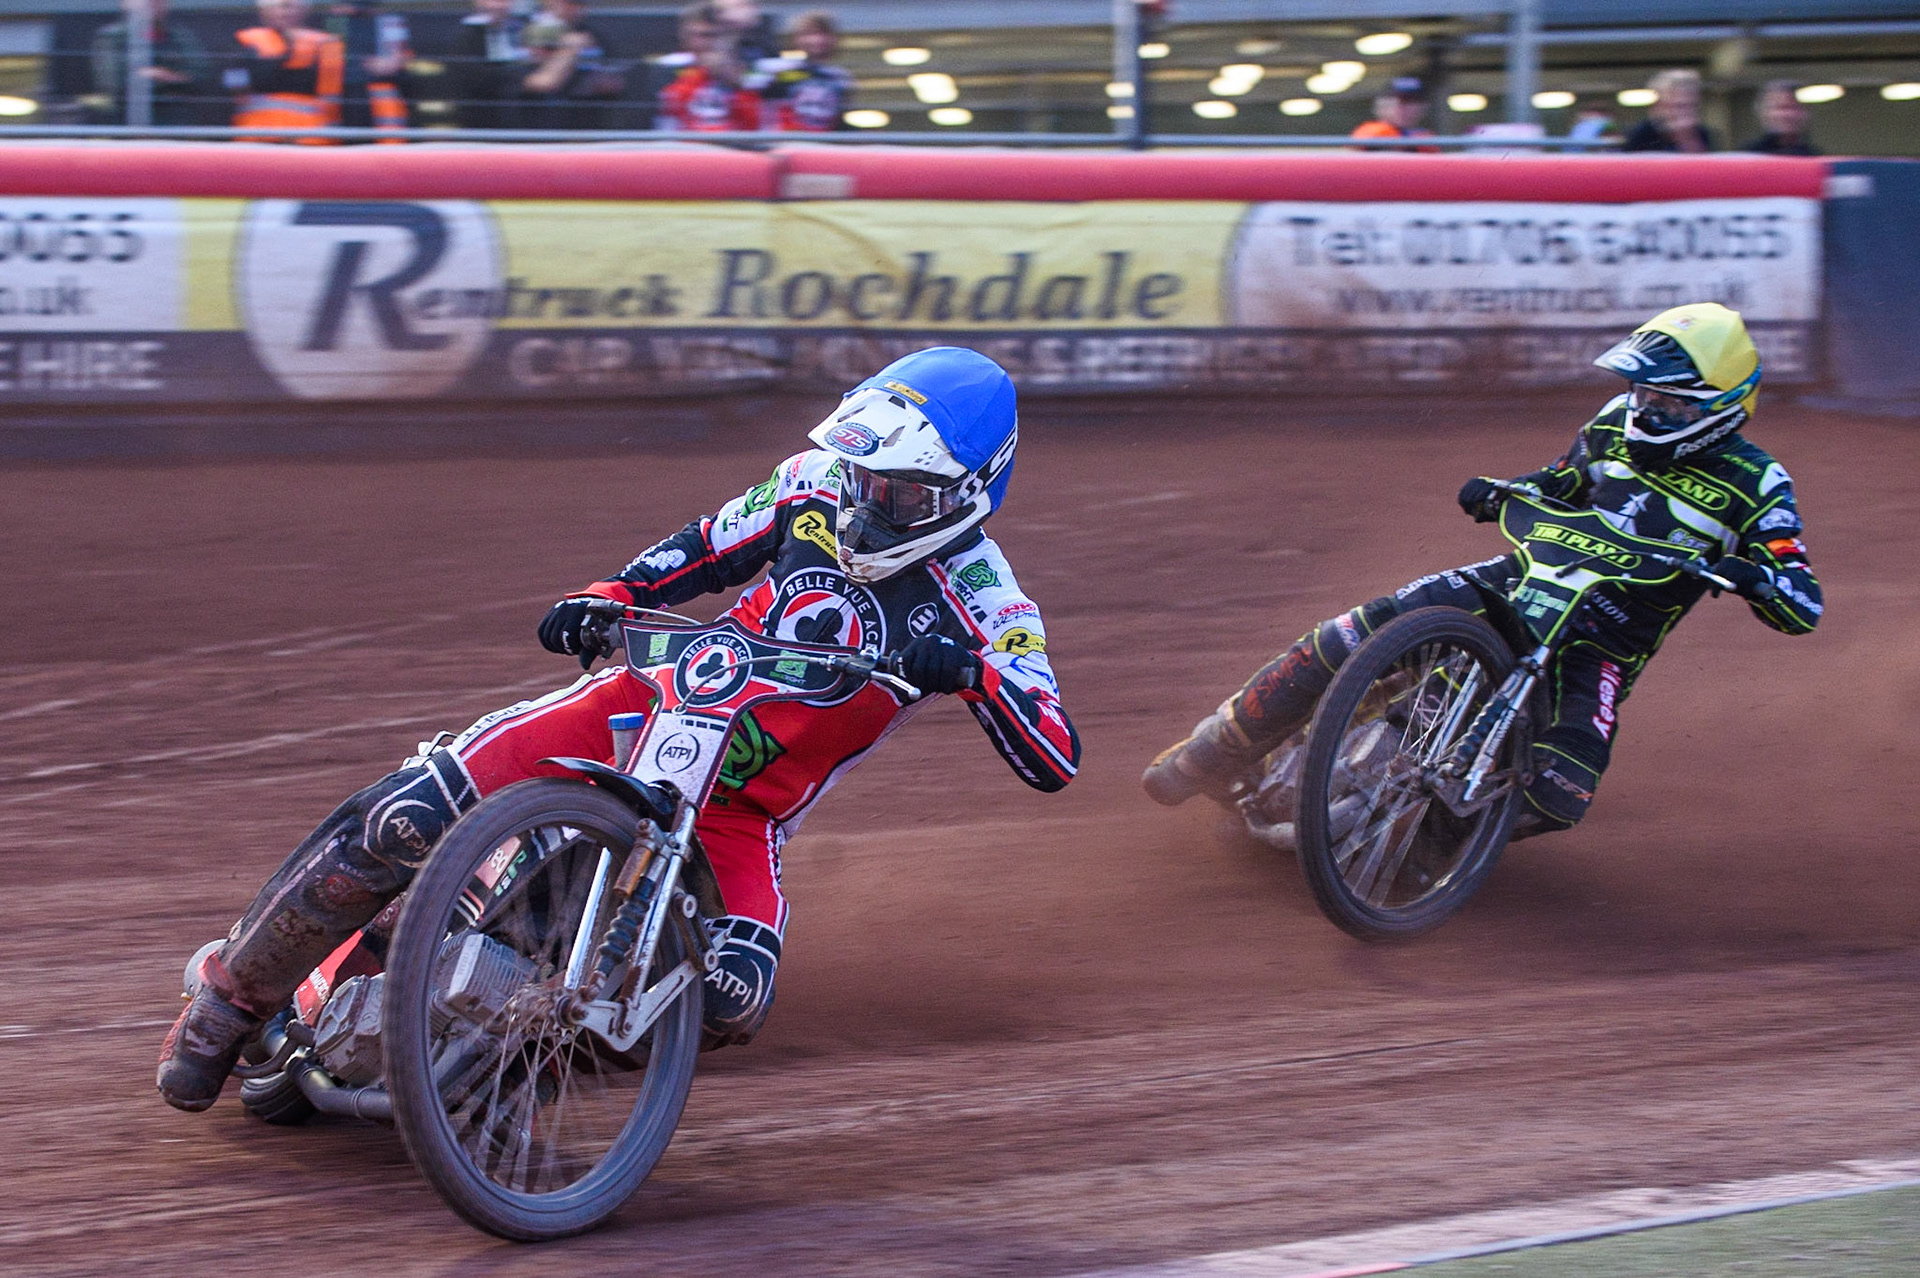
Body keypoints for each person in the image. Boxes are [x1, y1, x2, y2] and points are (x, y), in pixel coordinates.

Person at [157, 346, 1081, 1113]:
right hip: (638, 705)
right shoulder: (815, 482)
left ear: (969, 494)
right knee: (408, 815)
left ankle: (501, 1062)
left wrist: (977, 677)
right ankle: (227, 1004)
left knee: (733, 997)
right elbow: (706, 544)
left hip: (741, 811)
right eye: (867, 474)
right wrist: (611, 593)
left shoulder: (988, 603)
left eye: (902, 493)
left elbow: (1056, 752)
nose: (871, 500)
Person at [1143, 303, 1821, 840]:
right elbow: (1563, 483)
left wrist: (1758, 579)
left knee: (1561, 795)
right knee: (1352, 634)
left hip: (1603, 642)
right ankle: (1216, 748)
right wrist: (1505, 489)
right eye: (1642, 392)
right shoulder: (1615, 422)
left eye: (1668, 402)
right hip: (1518, 580)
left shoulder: (1759, 482)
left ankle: (1423, 848)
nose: (1646, 409)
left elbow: (1803, 602)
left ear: (1720, 407)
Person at [227, 0, 345, 142]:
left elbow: (332, 99)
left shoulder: (328, 44)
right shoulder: (244, 40)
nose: (285, 12)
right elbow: (234, 85)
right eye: (279, 6)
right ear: (263, 10)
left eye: (291, 6)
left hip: (308, 137)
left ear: (304, 10)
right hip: (256, 134)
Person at [89, 0, 213, 126]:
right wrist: (172, 80)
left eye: (159, 1)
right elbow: (115, 85)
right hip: (125, 124)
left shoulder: (179, 37)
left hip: (176, 123)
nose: (154, 4)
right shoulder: (113, 38)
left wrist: (154, 75)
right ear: (126, 3)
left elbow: (201, 78)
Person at [517, 0, 626, 130]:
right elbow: (542, 82)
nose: (574, 9)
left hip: (585, 124)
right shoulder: (527, 30)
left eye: (578, 4)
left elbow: (615, 80)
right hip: (537, 124)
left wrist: (599, 83)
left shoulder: (592, 35)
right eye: (568, 3)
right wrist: (570, 49)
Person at [656, 1, 763, 131]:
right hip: (684, 144)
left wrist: (731, 80)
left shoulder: (744, 66)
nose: (705, 42)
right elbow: (669, 107)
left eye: (713, 35)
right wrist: (703, 73)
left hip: (734, 143)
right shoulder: (669, 65)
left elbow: (754, 122)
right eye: (700, 35)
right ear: (684, 36)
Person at [323, 0, 411, 140]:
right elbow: (331, 63)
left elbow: (397, 63)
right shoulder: (337, 23)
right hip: (346, 101)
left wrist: (390, 63)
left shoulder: (390, 22)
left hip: (382, 110)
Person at [763, 9, 852, 132]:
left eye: (824, 34)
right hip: (784, 141)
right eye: (809, 34)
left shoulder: (839, 77)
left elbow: (840, 120)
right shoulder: (775, 70)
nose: (817, 40)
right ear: (796, 38)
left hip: (823, 144)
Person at [446, 0, 528, 130]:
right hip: (478, 120)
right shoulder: (466, 34)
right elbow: (473, 76)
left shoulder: (518, 29)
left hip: (516, 119)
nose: (499, 6)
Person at [1622, 68, 1715, 153]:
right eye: (1678, 106)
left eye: (1691, 106)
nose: (1684, 113)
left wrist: (1687, 138)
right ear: (1659, 106)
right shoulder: (1641, 135)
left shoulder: (1702, 134)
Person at [1744, 80, 1820, 156]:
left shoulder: (1816, 158)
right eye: (1780, 108)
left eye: (1794, 108)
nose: (1788, 115)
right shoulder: (1746, 157)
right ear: (1763, 113)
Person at [1351, 76, 1432, 147]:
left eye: (1413, 102)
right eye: (1400, 102)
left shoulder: (1423, 138)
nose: (1404, 109)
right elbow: (1347, 154)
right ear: (1381, 106)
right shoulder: (1373, 132)